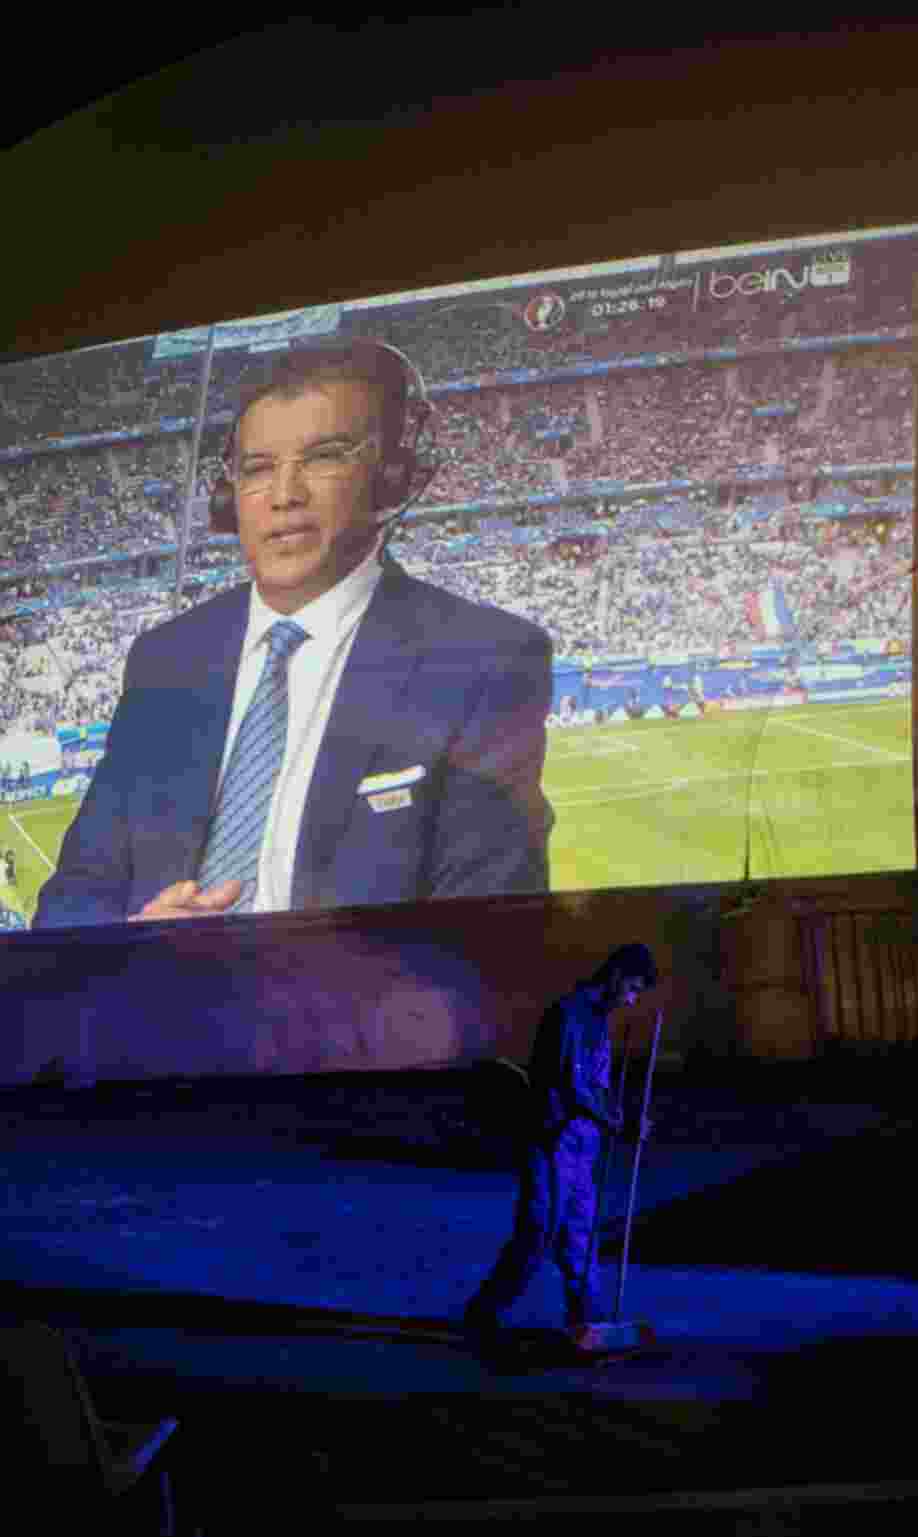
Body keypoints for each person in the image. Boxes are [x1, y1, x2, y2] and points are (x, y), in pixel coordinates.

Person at [33, 341, 555, 929]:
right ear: (229, 494)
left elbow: (493, 928)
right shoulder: (165, 660)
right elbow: (73, 896)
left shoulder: (486, 659)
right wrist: (133, 949)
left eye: (323, 457)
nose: (284, 495)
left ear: (390, 478)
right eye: (257, 468)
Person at [463, 943, 658, 1339]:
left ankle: (589, 1322)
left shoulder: (599, 1022)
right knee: (539, 1231)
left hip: (582, 1146)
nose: (632, 1000)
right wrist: (616, 1124)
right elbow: (572, 1087)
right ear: (616, 975)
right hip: (552, 1142)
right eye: (633, 989)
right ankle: (484, 1311)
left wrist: (626, 1117)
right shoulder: (568, 1015)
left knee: (581, 1238)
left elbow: (596, 1089)